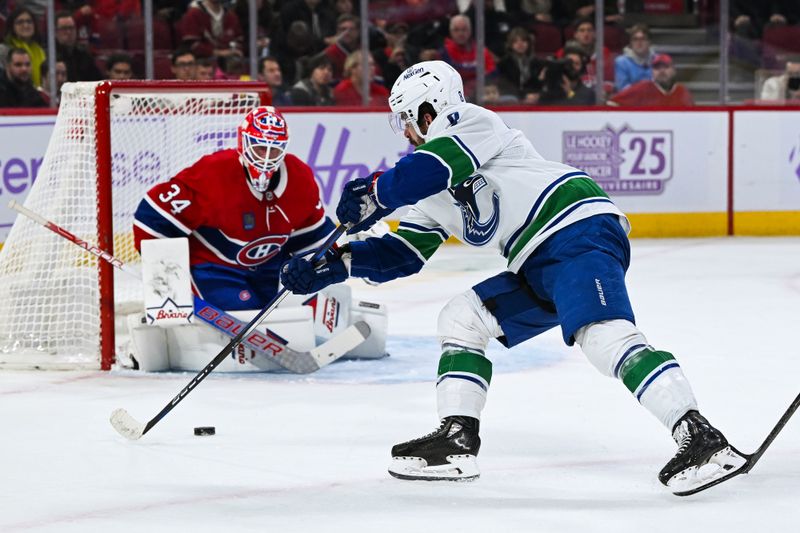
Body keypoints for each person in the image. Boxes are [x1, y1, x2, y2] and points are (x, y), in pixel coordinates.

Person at [280, 60, 747, 495]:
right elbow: (402, 255)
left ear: (429, 109)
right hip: (534, 260)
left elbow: (434, 166)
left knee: (604, 338)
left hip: (572, 227)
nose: (403, 130)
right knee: (462, 319)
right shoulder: (426, 190)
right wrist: (333, 264)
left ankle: (701, 436)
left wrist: (376, 193)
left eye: (405, 117)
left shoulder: (469, 122)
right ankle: (457, 439)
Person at [133, 106, 336, 312]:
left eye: (273, 148)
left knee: (276, 317)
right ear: (243, 141)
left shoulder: (300, 177)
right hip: (214, 267)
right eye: (259, 147)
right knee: (245, 315)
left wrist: (321, 271)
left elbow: (313, 238)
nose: (266, 157)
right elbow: (151, 217)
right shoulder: (213, 174)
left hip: (269, 269)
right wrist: (164, 273)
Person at [440, 14, 496, 99]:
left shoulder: (480, 49)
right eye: (456, 30)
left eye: (464, 29)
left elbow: (493, 72)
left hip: (480, 93)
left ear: (470, 31)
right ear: (451, 32)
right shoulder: (445, 51)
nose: (460, 33)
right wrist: (476, 71)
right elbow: (452, 74)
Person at [608, 54, 693, 107]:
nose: (661, 71)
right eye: (657, 68)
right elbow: (613, 103)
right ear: (652, 72)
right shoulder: (642, 88)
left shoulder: (682, 92)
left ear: (674, 70)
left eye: (666, 67)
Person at [178, 0, 244, 61]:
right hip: (200, 64)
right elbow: (191, 45)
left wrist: (235, 50)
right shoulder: (193, 14)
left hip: (229, 63)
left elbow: (239, 40)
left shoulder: (231, 16)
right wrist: (221, 53)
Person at [496, 27, 545, 104]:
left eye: (523, 40)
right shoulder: (504, 64)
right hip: (512, 98)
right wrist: (524, 95)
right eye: (516, 41)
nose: (520, 44)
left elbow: (538, 85)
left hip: (533, 97)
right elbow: (505, 86)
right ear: (511, 44)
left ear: (528, 43)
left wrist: (536, 94)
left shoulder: (537, 63)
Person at [1, 7, 46, 88]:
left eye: (29, 22)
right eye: (20, 22)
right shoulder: (3, 51)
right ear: (12, 26)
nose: (25, 25)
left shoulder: (40, 51)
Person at [54, 11, 102, 82]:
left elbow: (97, 80)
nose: (69, 32)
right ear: (55, 32)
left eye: (71, 28)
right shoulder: (50, 56)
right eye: (64, 28)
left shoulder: (84, 55)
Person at [614, 23, 655, 92]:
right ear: (631, 43)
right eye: (635, 39)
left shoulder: (658, 60)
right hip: (630, 100)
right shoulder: (621, 62)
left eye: (643, 39)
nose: (639, 42)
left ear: (649, 42)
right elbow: (622, 88)